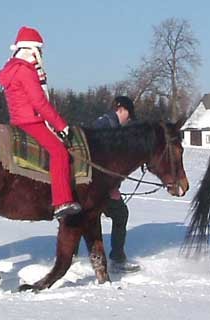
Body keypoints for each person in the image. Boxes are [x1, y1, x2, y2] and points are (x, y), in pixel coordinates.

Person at [0, 26, 81, 219]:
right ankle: (62, 201)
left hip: (18, 119)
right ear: (32, 49)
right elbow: (39, 102)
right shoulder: (26, 71)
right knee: (59, 152)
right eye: (40, 50)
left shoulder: (12, 69)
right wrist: (61, 125)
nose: (41, 54)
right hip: (32, 121)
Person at [90, 96, 142, 273]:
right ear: (122, 110)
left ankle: (73, 256)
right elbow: (100, 162)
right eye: (129, 115)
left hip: (94, 186)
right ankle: (117, 259)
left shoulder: (105, 124)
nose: (129, 119)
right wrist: (111, 188)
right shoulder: (107, 128)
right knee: (120, 214)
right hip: (97, 188)